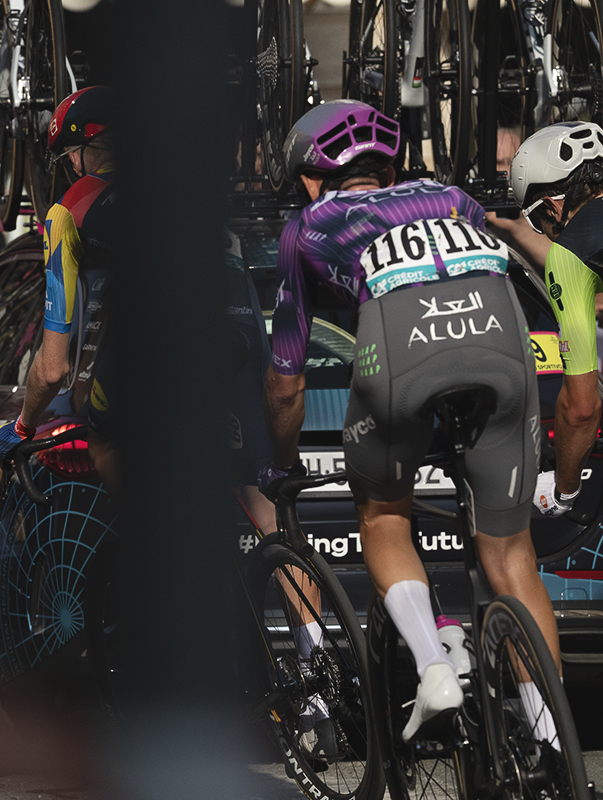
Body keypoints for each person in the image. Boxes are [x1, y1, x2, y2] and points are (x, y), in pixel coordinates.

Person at [262, 99, 558, 745]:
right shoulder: (456, 200)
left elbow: (287, 383)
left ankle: (432, 669)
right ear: (390, 165)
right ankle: (551, 740)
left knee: (386, 513)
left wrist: (281, 465)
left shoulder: (307, 225)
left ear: (312, 176)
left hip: (401, 366)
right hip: (503, 352)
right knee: (511, 554)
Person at [0, 86, 118, 493]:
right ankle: (287, 555)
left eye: (69, 157)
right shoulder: (181, 188)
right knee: (259, 504)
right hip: (235, 349)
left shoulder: (68, 211)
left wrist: (23, 425)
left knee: (105, 444)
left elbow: (52, 369)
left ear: (80, 151)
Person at [492, 122, 603, 519]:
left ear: (553, 205)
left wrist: (564, 489)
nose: (546, 233)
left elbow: (581, 407)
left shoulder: (569, 255)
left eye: (537, 221)